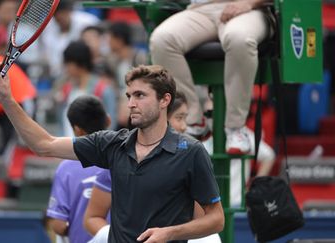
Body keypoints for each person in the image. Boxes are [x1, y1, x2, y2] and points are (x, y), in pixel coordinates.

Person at [0, 64, 224, 242]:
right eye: (129, 96)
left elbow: (216, 219)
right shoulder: (112, 144)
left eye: (140, 95)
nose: (131, 103)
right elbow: (43, 145)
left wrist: (170, 233)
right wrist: (7, 99)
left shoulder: (191, 152)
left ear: (165, 100)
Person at [83, 91, 221, 243]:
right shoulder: (117, 158)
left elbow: (207, 220)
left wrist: (170, 233)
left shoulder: (189, 156)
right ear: (161, 116)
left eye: (185, 118)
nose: (183, 126)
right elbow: (92, 217)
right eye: (179, 118)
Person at [150, 0, 272, 155]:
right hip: (201, 10)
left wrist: (248, 3)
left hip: (248, 10)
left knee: (239, 38)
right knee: (161, 40)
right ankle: (192, 119)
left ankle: (236, 128)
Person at [47, 95, 110, 243]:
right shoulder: (124, 157)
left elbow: (58, 225)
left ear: (77, 130)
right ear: (108, 120)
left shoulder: (66, 167)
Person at [55, 41, 117, 136]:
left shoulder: (103, 90)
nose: (66, 68)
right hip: (68, 146)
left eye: (68, 64)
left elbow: (111, 124)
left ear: (79, 63)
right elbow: (62, 124)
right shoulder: (67, 89)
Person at [41, 0, 100, 79]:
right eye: (57, 19)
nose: (60, 20)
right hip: (58, 75)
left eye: (62, 15)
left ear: (68, 11)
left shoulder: (88, 22)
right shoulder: (48, 27)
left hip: (86, 70)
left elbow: (98, 48)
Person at [106, 21, 148, 128]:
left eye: (110, 38)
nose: (108, 42)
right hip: (119, 102)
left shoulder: (139, 57)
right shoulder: (112, 61)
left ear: (119, 40)